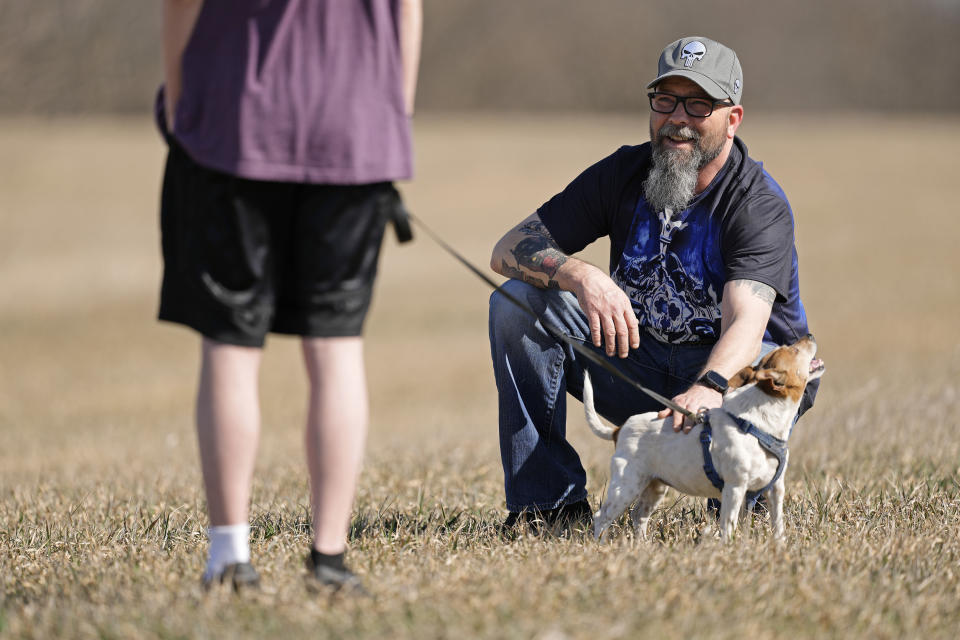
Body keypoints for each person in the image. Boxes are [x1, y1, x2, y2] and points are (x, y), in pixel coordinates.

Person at [488, 36, 819, 529]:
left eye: (698, 104)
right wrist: (578, 275)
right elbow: (509, 247)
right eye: (666, 100)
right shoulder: (623, 172)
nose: (677, 119)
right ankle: (548, 505)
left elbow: (747, 321)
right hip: (634, 361)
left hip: (729, 379)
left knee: (756, 357)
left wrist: (710, 385)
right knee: (516, 304)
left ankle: (738, 499)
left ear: (733, 119)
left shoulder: (757, 203)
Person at [157, 0, 422, 591]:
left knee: (230, 345)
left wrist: (181, 106)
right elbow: (408, 9)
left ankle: (229, 557)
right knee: (336, 347)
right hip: (355, 130)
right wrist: (390, 117)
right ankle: (329, 558)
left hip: (234, 126)